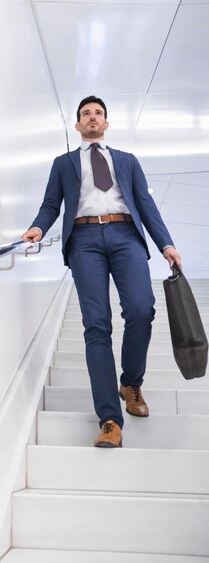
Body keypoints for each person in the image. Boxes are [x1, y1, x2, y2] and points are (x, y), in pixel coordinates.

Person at [22, 95, 182, 448]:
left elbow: (146, 204)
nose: (92, 117)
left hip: (126, 235)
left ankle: (131, 383)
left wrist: (165, 244)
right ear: (77, 126)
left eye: (98, 113)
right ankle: (110, 419)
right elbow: (51, 204)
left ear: (106, 124)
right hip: (84, 239)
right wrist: (38, 228)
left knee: (142, 310)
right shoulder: (63, 163)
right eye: (85, 114)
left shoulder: (126, 160)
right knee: (97, 325)